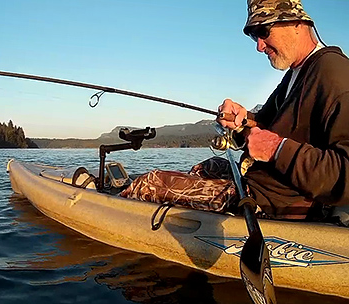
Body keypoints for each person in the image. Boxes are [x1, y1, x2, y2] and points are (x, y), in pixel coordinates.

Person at [122, 0, 349, 221]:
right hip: (258, 182)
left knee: (149, 183)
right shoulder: (296, 73)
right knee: (205, 167)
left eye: (263, 31)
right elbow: (264, 125)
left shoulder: (333, 74)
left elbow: (345, 174)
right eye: (253, 35)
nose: (259, 46)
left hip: (272, 203)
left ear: (297, 22)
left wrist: (276, 149)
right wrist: (242, 121)